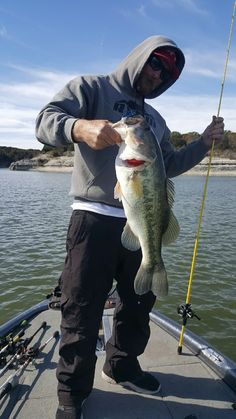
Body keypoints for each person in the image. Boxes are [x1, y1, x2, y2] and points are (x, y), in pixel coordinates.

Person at [35, 35, 224, 419]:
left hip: (142, 224)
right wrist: (79, 128)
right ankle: (72, 391)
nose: (158, 74)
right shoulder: (91, 88)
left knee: (138, 305)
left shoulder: (157, 121)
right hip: (94, 218)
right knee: (81, 309)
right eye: (155, 63)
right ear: (140, 57)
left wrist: (204, 143)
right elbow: (44, 121)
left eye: (168, 73)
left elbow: (168, 166)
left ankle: (122, 365)